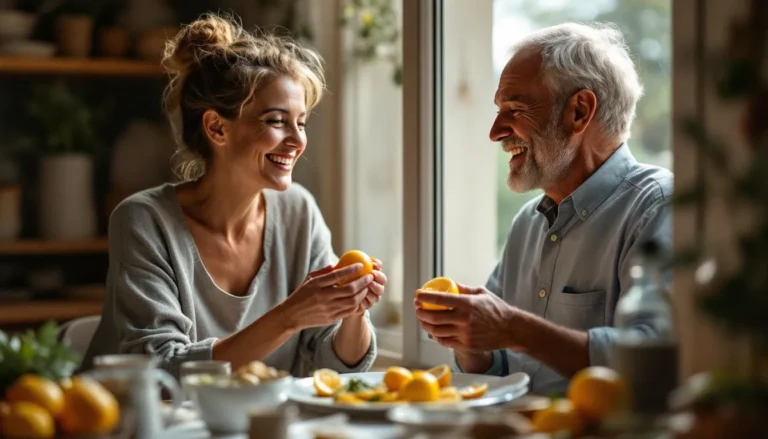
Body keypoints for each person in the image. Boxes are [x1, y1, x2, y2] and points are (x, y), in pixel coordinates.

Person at [83, 13, 385, 377]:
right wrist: (289, 317)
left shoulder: (298, 211)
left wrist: (353, 310)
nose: (297, 140)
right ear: (217, 128)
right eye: (276, 121)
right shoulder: (144, 221)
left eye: (301, 123)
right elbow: (161, 371)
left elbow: (333, 363)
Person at [415, 22, 673, 394]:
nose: (495, 132)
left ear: (579, 111)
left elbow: (654, 360)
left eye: (514, 109)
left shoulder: (657, 206)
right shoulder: (526, 224)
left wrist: (514, 329)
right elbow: (501, 365)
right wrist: (471, 345)